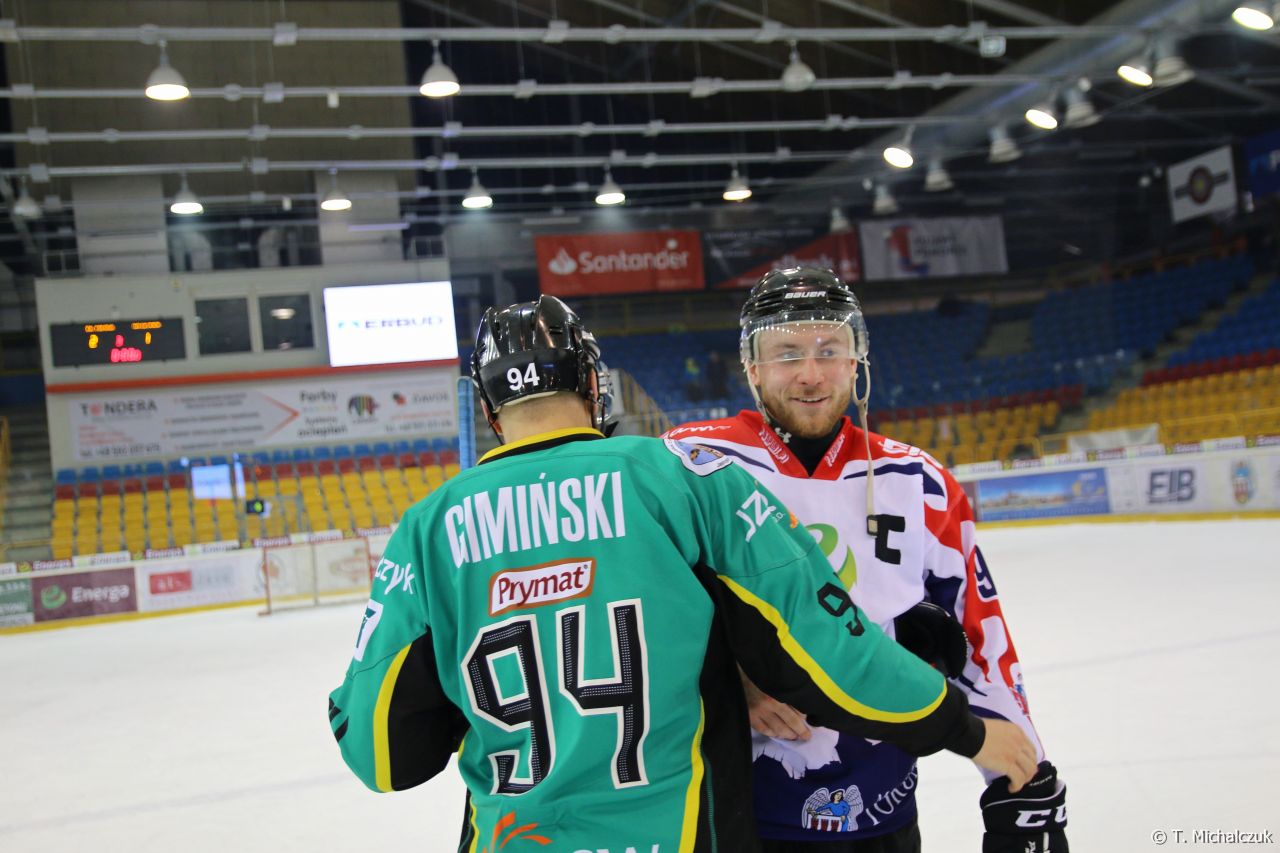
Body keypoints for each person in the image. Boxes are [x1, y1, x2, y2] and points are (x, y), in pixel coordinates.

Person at [328, 295, 1038, 853]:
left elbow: (381, 753)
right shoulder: (684, 476)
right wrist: (963, 726)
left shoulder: (426, 529)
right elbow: (827, 646)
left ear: (488, 410)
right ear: (594, 384)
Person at [665, 268, 1069, 853]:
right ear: (752, 367)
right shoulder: (690, 462)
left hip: (881, 807)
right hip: (732, 808)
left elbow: (981, 637)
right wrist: (729, 680)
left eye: (830, 349)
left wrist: (1022, 785)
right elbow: (644, 615)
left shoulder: (917, 481)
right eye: (787, 353)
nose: (811, 373)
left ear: (856, 361)